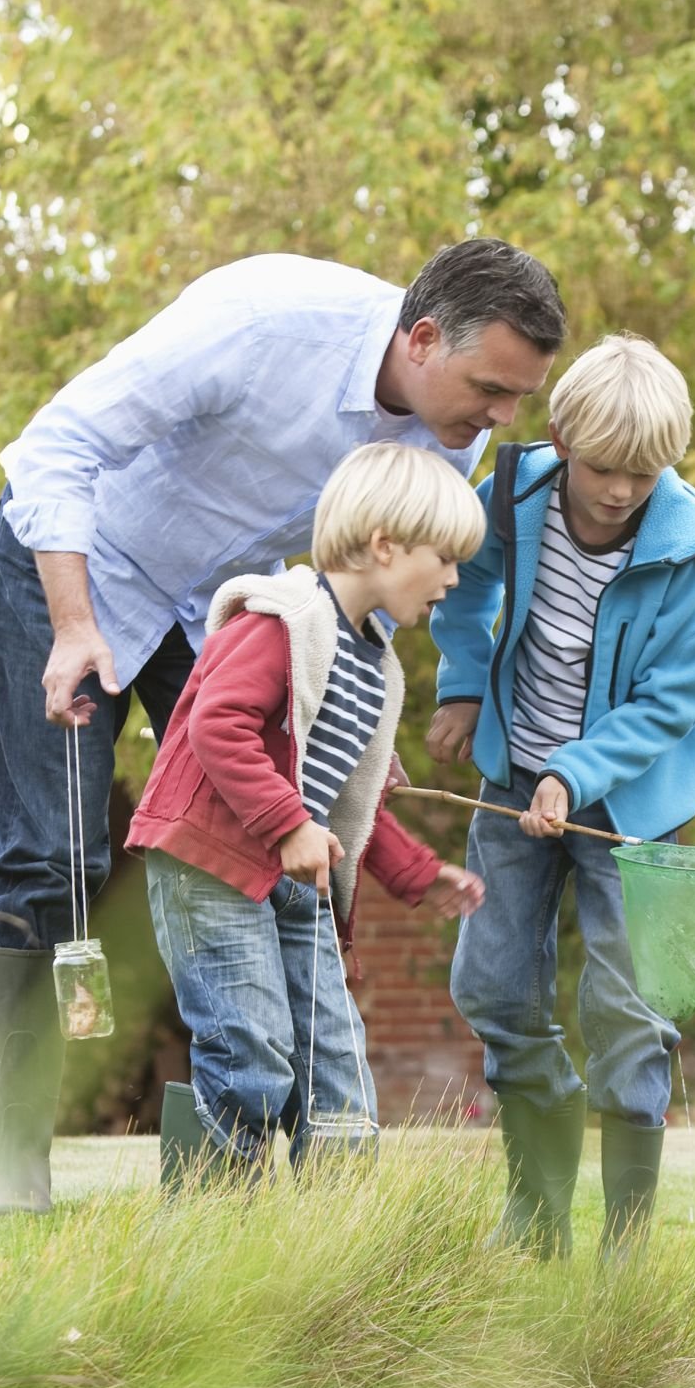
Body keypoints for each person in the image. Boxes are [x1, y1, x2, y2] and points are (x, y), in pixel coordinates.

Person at [0, 241, 564, 1211]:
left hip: (221, 608)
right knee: (52, 857)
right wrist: (75, 625)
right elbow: (54, 447)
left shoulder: (449, 432)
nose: (501, 420)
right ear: (421, 340)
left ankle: (283, 1162)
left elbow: (380, 580)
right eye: (492, 388)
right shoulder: (260, 321)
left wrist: (358, 746)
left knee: (287, 835)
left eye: (517, 399)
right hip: (79, 560)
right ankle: (15, 1167)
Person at [427, 334, 695, 1260]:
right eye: (603, 468)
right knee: (492, 982)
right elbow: (462, 587)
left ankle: (626, 1240)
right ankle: (537, 1210)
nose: (621, 491)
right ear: (561, 437)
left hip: (631, 805)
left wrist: (578, 774)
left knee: (630, 1008)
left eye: (645, 473)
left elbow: (672, 701)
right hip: (513, 779)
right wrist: (464, 686)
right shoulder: (511, 500)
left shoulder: (689, 551)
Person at [128, 442, 487, 1180]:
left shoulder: (374, 664)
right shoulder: (282, 622)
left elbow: (350, 804)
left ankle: (335, 1244)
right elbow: (216, 725)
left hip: (296, 879)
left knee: (338, 1069)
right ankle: (211, 1233)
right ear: (384, 545)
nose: (454, 579)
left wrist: (417, 873)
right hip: (214, 861)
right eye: (445, 558)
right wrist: (289, 824)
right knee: (250, 1052)